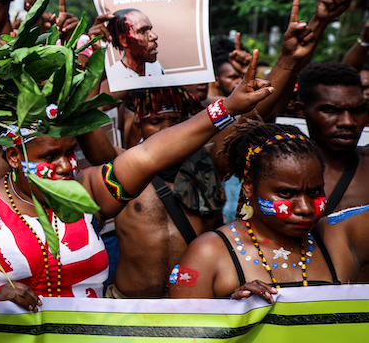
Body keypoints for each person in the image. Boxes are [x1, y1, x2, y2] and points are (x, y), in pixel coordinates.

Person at [0, 51, 272, 309]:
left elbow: (149, 155)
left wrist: (227, 108)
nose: (65, 166)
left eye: (70, 152)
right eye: (49, 156)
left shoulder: (87, 193)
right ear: (14, 157)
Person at [169, 122, 369, 300]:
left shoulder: (342, 236)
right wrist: (233, 310)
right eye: (286, 193)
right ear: (248, 186)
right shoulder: (208, 254)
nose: (305, 208)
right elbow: (183, 326)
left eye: (315, 192)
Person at [107, 87, 224, 298]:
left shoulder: (210, 162)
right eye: (156, 121)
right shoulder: (123, 169)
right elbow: (90, 136)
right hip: (129, 306)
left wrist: (286, 66)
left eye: (177, 121)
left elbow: (250, 117)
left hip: (194, 304)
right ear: (138, 126)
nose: (167, 129)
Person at [295, 61, 369, 215]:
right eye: (330, 110)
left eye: (358, 110)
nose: (348, 122)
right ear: (301, 110)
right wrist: (287, 61)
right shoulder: (279, 169)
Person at [104, 8, 163, 82]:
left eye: (150, 29)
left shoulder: (155, 68)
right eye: (143, 31)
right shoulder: (114, 76)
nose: (154, 36)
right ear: (123, 40)